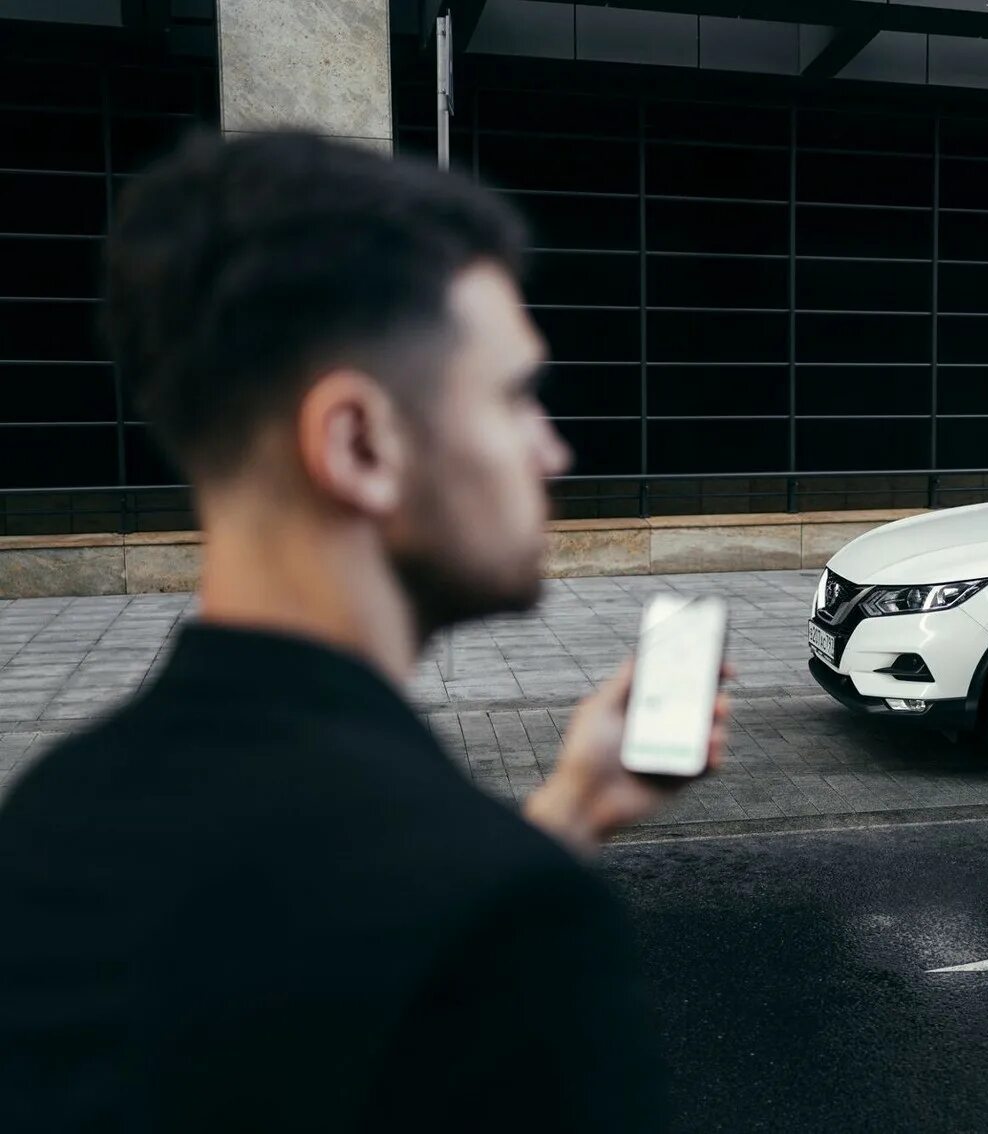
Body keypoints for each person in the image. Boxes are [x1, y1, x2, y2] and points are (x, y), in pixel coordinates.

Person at [0, 132, 723, 1132]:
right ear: (359, 444)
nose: (552, 450)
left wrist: (575, 804)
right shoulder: (513, 930)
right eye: (514, 396)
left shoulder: (50, 819)